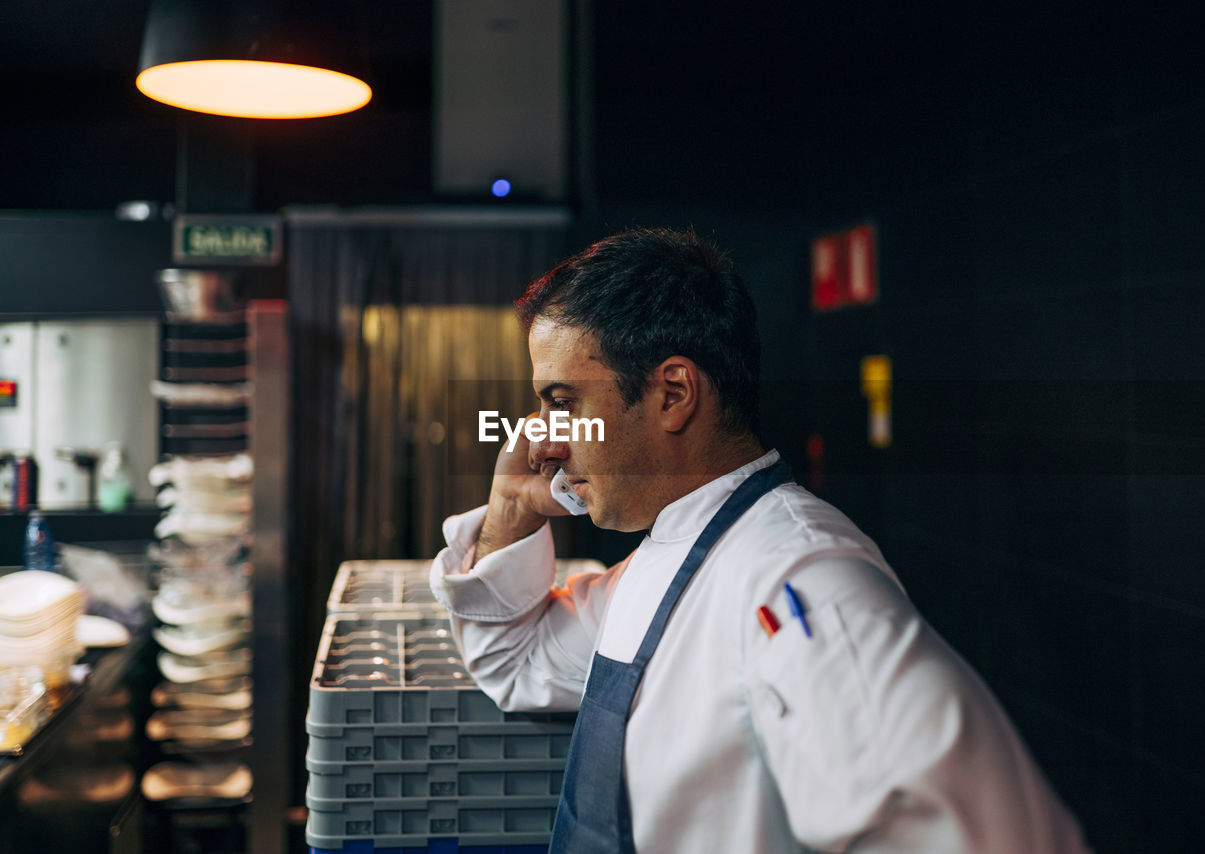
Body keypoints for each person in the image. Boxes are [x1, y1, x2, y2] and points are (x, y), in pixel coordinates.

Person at [429, 228, 1090, 853]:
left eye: (563, 401)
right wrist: (511, 507)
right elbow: (517, 663)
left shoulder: (800, 581)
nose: (543, 438)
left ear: (673, 393)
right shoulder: (666, 562)